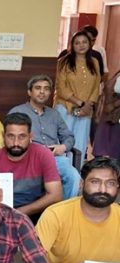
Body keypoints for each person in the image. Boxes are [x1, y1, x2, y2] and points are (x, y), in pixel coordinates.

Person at [36, 157, 120, 263]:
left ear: (117, 187)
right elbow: (35, 259)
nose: (103, 189)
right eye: (95, 182)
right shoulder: (56, 214)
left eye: (110, 183)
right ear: (82, 184)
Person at [9, 75, 81, 200]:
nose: (42, 92)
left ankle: (62, 212)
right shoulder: (18, 111)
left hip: (54, 158)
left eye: (46, 89)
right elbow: (9, 138)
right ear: (29, 92)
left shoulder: (54, 114)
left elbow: (68, 136)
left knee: (73, 177)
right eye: (38, 88)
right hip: (29, 158)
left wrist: (63, 147)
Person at [0, 113, 62, 224]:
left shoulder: (43, 154)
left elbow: (56, 195)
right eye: (11, 136)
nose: (16, 143)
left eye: (22, 137)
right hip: (0, 216)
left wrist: (19, 212)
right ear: (3, 136)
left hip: (36, 213)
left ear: (31, 137)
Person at [54, 31, 101, 164]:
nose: (81, 45)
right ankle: (60, 171)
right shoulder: (64, 62)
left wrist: (88, 105)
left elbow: (96, 86)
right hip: (66, 107)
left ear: (90, 44)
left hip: (86, 110)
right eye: (77, 43)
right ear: (72, 45)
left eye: (84, 42)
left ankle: (77, 173)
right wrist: (80, 103)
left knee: (80, 142)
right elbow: (61, 88)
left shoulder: (94, 62)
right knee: (63, 141)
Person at [92, 69, 120, 161]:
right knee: (103, 150)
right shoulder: (117, 73)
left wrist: (113, 105)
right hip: (109, 115)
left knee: (114, 152)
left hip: (115, 114)